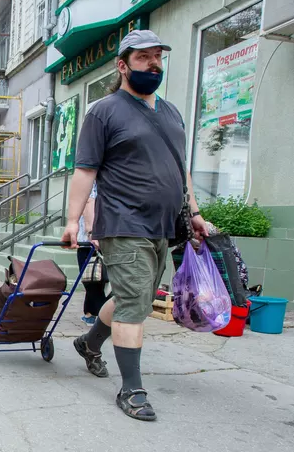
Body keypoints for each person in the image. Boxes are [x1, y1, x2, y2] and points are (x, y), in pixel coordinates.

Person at [61, 30, 208, 421]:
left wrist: (194, 213)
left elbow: (181, 170)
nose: (153, 64)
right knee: (133, 305)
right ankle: (132, 390)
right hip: (123, 222)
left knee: (135, 298)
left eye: (158, 56)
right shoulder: (104, 111)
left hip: (164, 226)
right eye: (143, 57)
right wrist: (73, 221)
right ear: (123, 65)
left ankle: (89, 343)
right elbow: (85, 170)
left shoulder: (171, 113)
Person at [77, 182, 110, 327]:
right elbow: (89, 202)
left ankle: (101, 317)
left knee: (92, 278)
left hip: (92, 240)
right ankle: (92, 314)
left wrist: (91, 232)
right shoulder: (107, 179)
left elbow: (88, 201)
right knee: (95, 278)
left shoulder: (92, 180)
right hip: (102, 238)